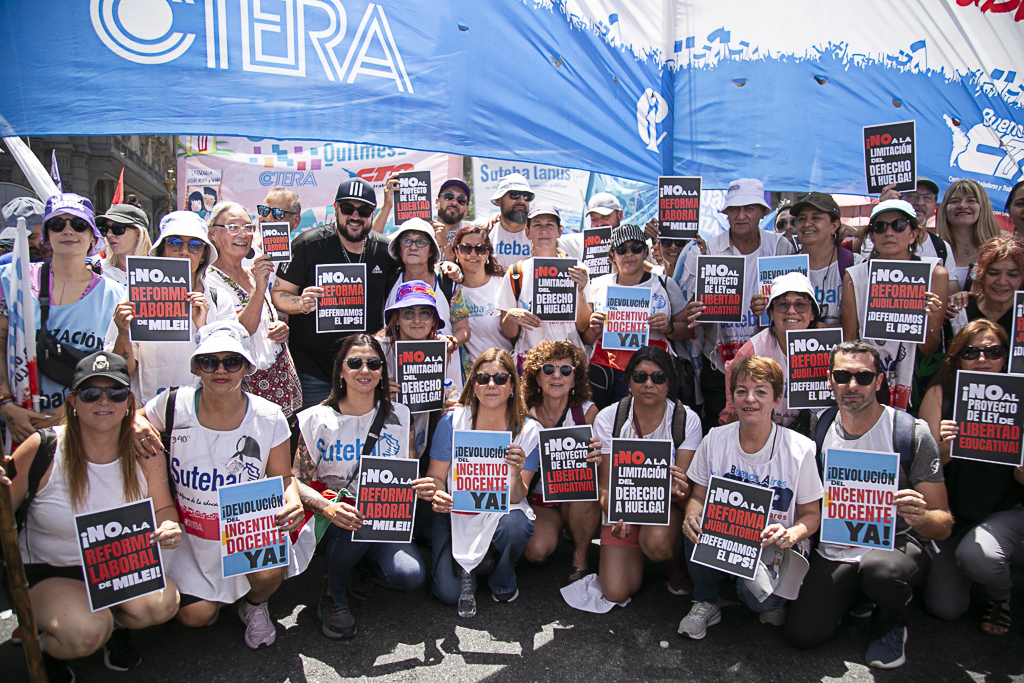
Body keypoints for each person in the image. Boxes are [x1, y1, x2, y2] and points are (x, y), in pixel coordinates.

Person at [2, 351, 180, 680]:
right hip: (51, 571)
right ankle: (44, 646)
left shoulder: (145, 449)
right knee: (86, 632)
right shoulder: (43, 448)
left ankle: (113, 628)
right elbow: (4, 513)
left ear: (129, 401)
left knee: (162, 604)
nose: (103, 401)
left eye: (115, 393)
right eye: (90, 393)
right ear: (73, 401)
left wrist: (169, 525)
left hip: (119, 566)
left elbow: (163, 508)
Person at [785, 341, 952, 669]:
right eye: (842, 376)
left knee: (882, 572)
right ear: (830, 380)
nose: (852, 385)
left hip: (894, 545)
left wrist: (920, 517)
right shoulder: (820, 427)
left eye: (863, 377)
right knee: (801, 635)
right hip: (837, 546)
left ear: (879, 381)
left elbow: (943, 523)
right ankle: (858, 594)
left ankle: (890, 622)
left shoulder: (909, 432)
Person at [138, 321, 305, 649]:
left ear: (247, 367)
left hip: (245, 528)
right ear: (195, 367)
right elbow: (134, 417)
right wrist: (134, 422)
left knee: (269, 573)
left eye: (231, 361)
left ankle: (254, 603)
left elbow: (283, 477)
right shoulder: (171, 404)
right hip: (191, 534)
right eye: (208, 361)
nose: (220, 370)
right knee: (196, 616)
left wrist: (293, 501)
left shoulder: (270, 416)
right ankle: (209, 595)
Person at [292, 334, 433, 639]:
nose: (364, 370)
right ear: (340, 370)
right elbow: (296, 482)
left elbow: (409, 474)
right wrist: (328, 508)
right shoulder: (316, 419)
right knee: (353, 523)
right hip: (333, 520)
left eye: (374, 363)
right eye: (355, 362)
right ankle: (333, 596)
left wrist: (424, 488)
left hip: (384, 520)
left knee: (409, 576)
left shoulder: (401, 416)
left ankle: (357, 566)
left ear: (382, 371)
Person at [680, 356, 822, 638]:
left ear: (777, 400)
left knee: (757, 600)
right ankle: (705, 600)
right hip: (728, 537)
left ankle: (765, 593)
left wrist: (792, 533)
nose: (750, 399)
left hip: (773, 545)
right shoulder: (714, 439)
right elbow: (698, 496)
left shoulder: (801, 449)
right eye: (741, 391)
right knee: (696, 525)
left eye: (761, 391)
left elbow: (812, 515)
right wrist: (691, 515)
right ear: (732, 397)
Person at [918, 320, 1024, 633]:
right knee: (946, 608)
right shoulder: (940, 393)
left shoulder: (1019, 397)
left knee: (981, 558)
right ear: (957, 358)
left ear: (1005, 356)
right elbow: (925, 468)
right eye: (971, 352)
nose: (982, 359)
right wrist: (945, 448)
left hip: (1004, 510)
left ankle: (1000, 596)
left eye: (993, 352)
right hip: (954, 514)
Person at [0, 193, 125, 442]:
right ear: (46, 236)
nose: (68, 231)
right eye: (57, 224)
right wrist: (6, 406)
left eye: (78, 225)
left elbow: (120, 365)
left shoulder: (116, 295)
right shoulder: (11, 280)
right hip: (17, 428)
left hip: (83, 431)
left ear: (93, 237)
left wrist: (71, 410)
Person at [426, 349, 539, 614]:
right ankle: (476, 564)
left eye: (500, 378)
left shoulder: (529, 431)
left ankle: (502, 575)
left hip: (502, 511)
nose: (491, 384)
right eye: (482, 378)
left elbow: (517, 497)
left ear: (512, 386)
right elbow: (436, 477)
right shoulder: (452, 422)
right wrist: (438, 494)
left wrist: (515, 472)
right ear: (473, 386)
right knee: (449, 593)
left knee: (517, 525)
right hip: (456, 511)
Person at [680, 178, 795, 433]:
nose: (741, 216)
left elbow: (795, 304)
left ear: (762, 212)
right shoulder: (709, 248)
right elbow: (693, 304)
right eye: (734, 209)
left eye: (749, 209)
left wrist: (770, 308)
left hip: (768, 363)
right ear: (726, 213)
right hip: (719, 364)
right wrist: (696, 310)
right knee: (720, 432)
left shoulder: (780, 247)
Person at [272, 178, 399, 409]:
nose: (355, 216)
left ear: (372, 213)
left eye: (364, 211)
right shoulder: (308, 245)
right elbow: (279, 292)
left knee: (360, 431)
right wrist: (300, 303)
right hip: (314, 372)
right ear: (336, 209)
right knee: (315, 431)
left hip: (363, 371)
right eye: (348, 208)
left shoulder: (384, 250)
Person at [593, 346, 702, 602]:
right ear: (629, 380)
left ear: (670, 382)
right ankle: (634, 553)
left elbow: (684, 489)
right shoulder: (609, 418)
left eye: (659, 377)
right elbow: (605, 486)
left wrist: (677, 488)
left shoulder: (687, 420)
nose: (649, 384)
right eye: (640, 376)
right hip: (623, 511)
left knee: (657, 543)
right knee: (616, 592)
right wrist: (617, 516)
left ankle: (675, 558)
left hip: (665, 509)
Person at [107, 211, 236, 404]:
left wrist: (202, 328)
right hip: (147, 409)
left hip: (203, 408)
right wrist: (123, 333)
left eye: (195, 245)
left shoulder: (219, 300)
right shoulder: (135, 296)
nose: (184, 252)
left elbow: (229, 365)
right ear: (163, 251)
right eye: (175, 243)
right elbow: (120, 371)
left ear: (203, 255)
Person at [840, 199, 948, 412]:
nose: (889, 232)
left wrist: (926, 321)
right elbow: (851, 342)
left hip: (917, 382)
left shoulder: (935, 274)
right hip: (870, 382)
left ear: (913, 234)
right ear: (872, 236)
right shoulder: (855, 277)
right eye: (880, 227)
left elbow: (929, 349)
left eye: (898, 225)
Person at [206, 201, 302, 417]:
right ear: (213, 234)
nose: (243, 234)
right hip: (242, 387)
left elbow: (263, 321)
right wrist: (259, 289)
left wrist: (280, 328)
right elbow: (241, 331)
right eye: (232, 227)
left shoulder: (252, 273)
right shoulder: (208, 282)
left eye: (248, 227)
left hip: (278, 382)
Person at [520, 340, 602, 582]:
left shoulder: (587, 413)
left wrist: (599, 457)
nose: (557, 376)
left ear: (575, 380)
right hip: (539, 501)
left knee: (588, 491)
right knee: (536, 552)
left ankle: (580, 558)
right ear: (537, 377)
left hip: (575, 498)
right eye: (548, 369)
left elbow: (603, 470)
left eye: (565, 370)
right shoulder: (522, 410)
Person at [585, 223, 688, 408]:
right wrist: (593, 329)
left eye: (636, 248)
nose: (629, 254)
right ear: (612, 255)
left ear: (645, 251)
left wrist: (669, 328)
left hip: (653, 373)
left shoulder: (664, 285)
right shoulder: (598, 286)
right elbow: (585, 337)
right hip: (609, 374)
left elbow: (687, 330)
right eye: (622, 249)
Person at [498, 204, 592, 372]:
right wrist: (511, 317)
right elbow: (509, 333)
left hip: (569, 363)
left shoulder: (578, 270)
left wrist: (580, 292)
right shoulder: (515, 273)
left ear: (559, 232)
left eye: (549, 225)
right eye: (537, 225)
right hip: (530, 362)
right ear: (527, 233)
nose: (544, 230)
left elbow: (584, 327)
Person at [721, 272, 821, 429]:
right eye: (783, 304)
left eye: (801, 305)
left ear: (813, 313)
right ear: (771, 313)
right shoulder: (752, 352)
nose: (791, 311)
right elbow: (733, 416)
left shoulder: (827, 349)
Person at [377, 281, 462, 458]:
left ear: (434, 321)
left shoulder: (439, 348)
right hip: (379, 440)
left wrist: (447, 402)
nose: (417, 320)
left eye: (425, 313)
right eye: (408, 313)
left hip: (420, 438)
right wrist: (377, 394)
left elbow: (441, 391)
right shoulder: (376, 349)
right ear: (396, 319)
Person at [384, 217, 470, 347]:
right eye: (407, 241)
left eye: (421, 242)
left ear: (431, 251)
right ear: (399, 248)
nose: (413, 247)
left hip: (444, 359)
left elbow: (463, 329)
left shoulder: (447, 283)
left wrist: (450, 342)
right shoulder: (388, 280)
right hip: (397, 359)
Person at [778, 192, 852, 327]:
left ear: (834, 226)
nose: (807, 224)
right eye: (801, 219)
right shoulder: (783, 268)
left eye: (816, 218)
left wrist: (828, 331)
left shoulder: (854, 265)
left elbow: (862, 326)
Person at [452, 224, 512, 379]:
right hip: (469, 377)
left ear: (487, 254)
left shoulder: (503, 284)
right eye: (465, 248)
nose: (473, 254)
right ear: (456, 252)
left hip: (504, 374)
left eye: (480, 249)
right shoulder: (450, 290)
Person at [948, 233, 1024, 339]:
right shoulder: (958, 312)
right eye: (993, 273)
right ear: (979, 274)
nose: (1002, 282)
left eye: (1013, 275)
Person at [937, 179, 1002, 289]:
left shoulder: (1000, 248)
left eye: (971, 201)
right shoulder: (933, 245)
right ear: (945, 208)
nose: (962, 205)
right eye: (955, 201)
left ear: (983, 207)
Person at [97, 195, 153, 286]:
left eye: (118, 228)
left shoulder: (161, 274)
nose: (109, 235)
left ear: (138, 233)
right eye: (105, 229)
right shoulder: (98, 272)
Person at [488, 173, 534, 269]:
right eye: (514, 195)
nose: (521, 200)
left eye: (527, 196)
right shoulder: (485, 231)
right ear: (498, 200)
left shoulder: (540, 235)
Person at [1, 196, 46, 263]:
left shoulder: (60, 261)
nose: (27, 244)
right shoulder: (5, 263)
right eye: (18, 238)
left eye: (31, 237)